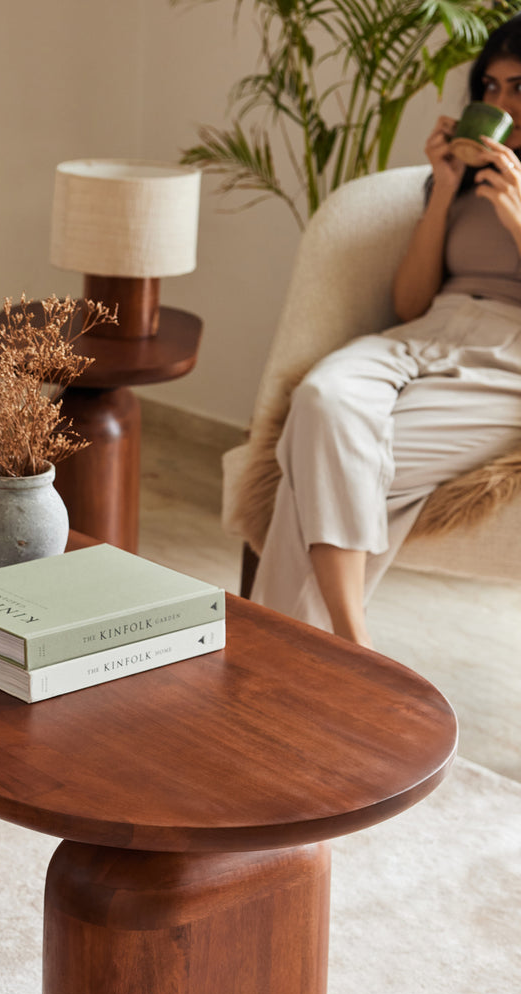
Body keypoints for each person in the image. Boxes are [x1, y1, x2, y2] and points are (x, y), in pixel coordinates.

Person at [251, 14, 521, 647]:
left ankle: (310, 654)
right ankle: (355, 651)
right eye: (490, 87)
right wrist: (443, 191)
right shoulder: (459, 183)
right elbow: (409, 302)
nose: (500, 104)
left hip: (510, 361)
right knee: (322, 401)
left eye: (519, 87)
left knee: (314, 454)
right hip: (429, 330)